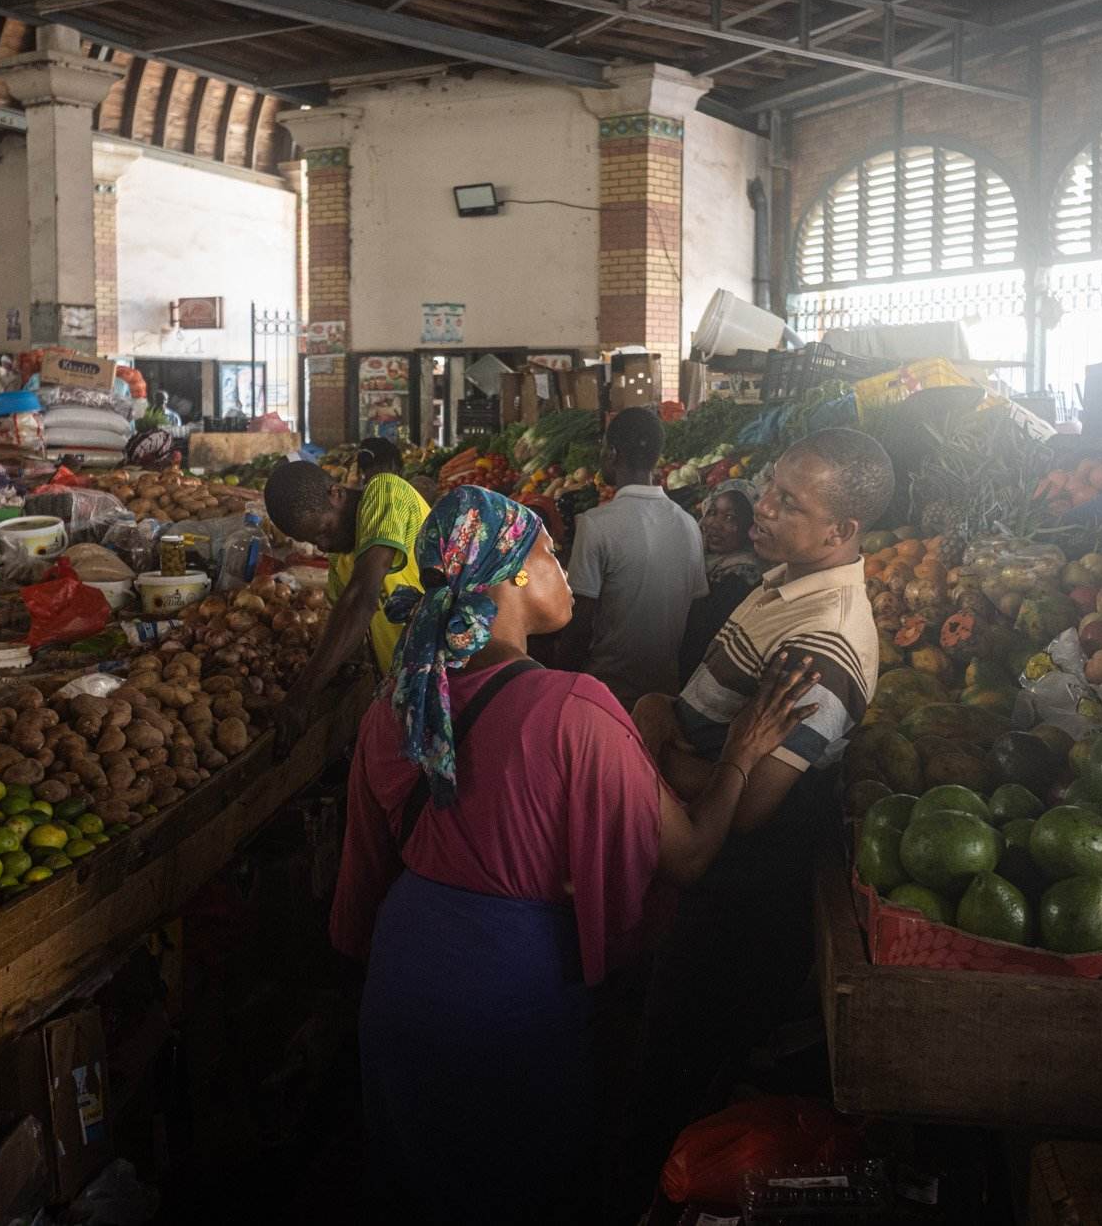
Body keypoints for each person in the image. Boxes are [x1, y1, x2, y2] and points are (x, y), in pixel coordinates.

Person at [330, 487, 821, 1226]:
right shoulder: (575, 709)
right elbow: (685, 857)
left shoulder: (395, 703)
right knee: (521, 1186)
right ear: (513, 576)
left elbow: (362, 883)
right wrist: (743, 756)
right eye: (551, 554)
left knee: (418, 1187)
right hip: (509, 990)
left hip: (403, 979)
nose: (564, 569)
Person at [627, 427, 894, 1183]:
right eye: (771, 488)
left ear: (842, 531)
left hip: (739, 896)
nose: (763, 507)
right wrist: (662, 712)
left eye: (788, 501)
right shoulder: (784, 579)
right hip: (708, 870)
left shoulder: (823, 643)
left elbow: (745, 807)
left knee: (676, 1080)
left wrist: (652, 727)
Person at [263, 457, 431, 744]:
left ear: (337, 494)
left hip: (452, 674)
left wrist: (301, 696)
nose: (324, 546)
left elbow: (360, 600)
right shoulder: (342, 564)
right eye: (315, 542)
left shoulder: (385, 493)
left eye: (323, 531)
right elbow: (352, 633)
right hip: (411, 695)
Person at [555, 407, 707, 708]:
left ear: (612, 453)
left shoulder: (596, 524)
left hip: (604, 694)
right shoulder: (688, 524)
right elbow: (695, 616)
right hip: (663, 697)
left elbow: (579, 625)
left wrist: (559, 686)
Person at [677, 483, 765, 684]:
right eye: (713, 512)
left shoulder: (741, 578)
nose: (715, 524)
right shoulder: (704, 563)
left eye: (730, 518)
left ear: (749, 526)